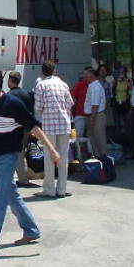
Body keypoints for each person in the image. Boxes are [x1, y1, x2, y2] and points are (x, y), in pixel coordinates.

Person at [0, 70, 60, 260]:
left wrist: (52, 150)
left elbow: (34, 126)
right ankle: (31, 230)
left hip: (8, 156)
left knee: (0, 198)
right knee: (11, 194)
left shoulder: (13, 104)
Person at [33, 61, 74, 198]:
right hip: (64, 125)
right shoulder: (63, 85)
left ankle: (49, 190)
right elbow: (69, 104)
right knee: (63, 158)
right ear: (54, 70)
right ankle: (62, 189)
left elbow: (38, 107)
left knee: (49, 159)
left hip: (49, 126)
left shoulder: (41, 85)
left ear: (43, 72)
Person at [6, 71, 35, 187]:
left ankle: (23, 180)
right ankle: (23, 176)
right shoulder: (25, 94)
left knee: (16, 154)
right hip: (26, 128)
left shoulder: (9, 96)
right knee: (22, 152)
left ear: (10, 80)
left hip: (15, 129)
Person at [85, 67, 107, 157]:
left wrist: (92, 119)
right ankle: (98, 161)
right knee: (93, 140)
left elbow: (95, 105)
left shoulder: (96, 87)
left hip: (96, 116)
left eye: (86, 76)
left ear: (91, 76)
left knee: (99, 140)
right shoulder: (92, 86)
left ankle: (105, 163)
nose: (84, 78)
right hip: (94, 115)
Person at [112, 66, 130, 139]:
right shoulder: (116, 81)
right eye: (120, 72)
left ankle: (126, 138)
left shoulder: (128, 80)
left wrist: (125, 80)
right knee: (117, 123)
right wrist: (116, 81)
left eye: (123, 72)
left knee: (125, 122)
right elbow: (112, 90)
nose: (121, 74)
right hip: (117, 102)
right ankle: (118, 138)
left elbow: (131, 89)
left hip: (125, 102)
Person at [70, 73, 88, 138]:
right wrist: (70, 113)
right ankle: (76, 148)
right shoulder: (79, 85)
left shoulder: (94, 85)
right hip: (80, 114)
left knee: (90, 136)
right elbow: (72, 99)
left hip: (91, 115)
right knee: (77, 136)